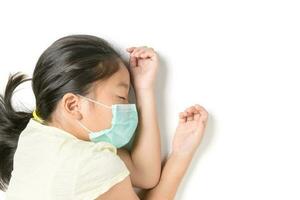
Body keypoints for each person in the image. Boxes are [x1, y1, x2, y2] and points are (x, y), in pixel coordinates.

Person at [0, 34, 208, 199]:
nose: (128, 108)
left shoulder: (34, 138)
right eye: (121, 97)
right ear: (73, 105)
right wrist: (182, 155)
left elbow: (145, 175)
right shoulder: (92, 162)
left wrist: (144, 88)